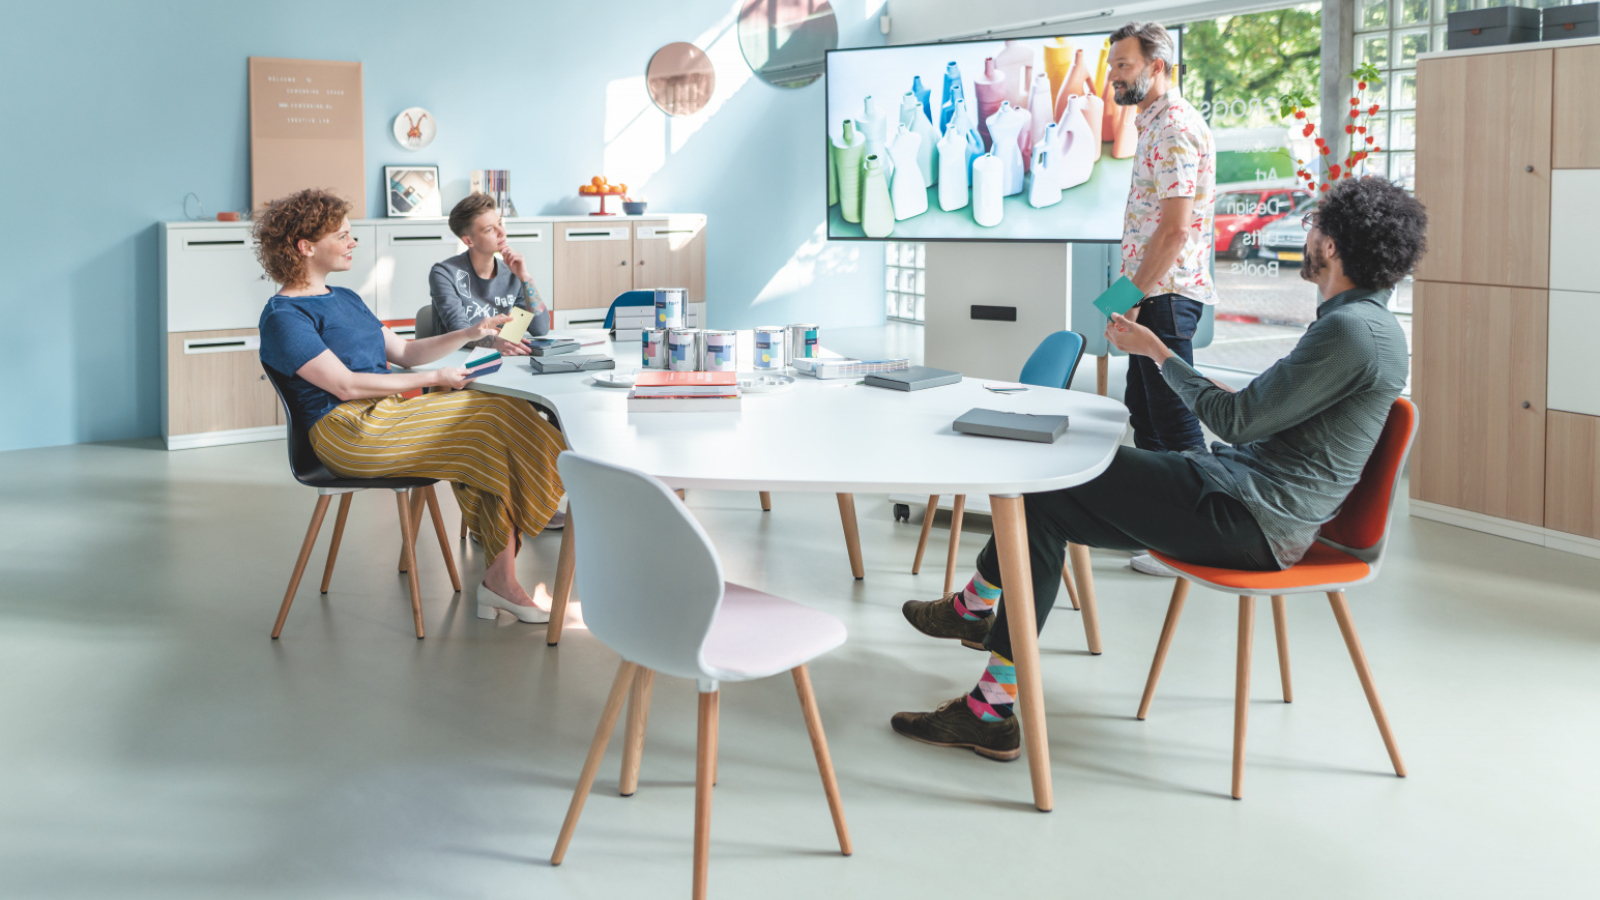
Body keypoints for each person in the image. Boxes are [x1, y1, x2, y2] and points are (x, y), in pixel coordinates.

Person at [890, 176, 1426, 761]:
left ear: (1336, 245)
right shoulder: (1367, 326)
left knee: (1048, 480)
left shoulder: (1349, 332)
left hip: (1247, 518)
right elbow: (1262, 413)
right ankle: (984, 680)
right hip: (1248, 505)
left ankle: (981, 661)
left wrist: (1157, 352)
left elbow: (1238, 421)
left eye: (1316, 225)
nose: (1308, 232)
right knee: (1043, 503)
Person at [256, 188, 566, 624]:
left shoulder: (345, 299)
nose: (353, 242)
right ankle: (571, 493)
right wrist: (437, 379)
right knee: (490, 417)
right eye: (342, 236)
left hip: (385, 416)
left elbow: (405, 351)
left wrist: (468, 332)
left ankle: (501, 580)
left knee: (490, 427)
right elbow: (344, 386)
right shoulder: (283, 316)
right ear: (306, 248)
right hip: (345, 432)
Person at [1105, 22, 1218, 576]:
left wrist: (1130, 301)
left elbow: (1173, 232)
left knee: (1175, 424)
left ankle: (1196, 540)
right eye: (1112, 67)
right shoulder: (1153, 125)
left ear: (1157, 66)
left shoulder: (1172, 126)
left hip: (1165, 300)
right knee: (1147, 418)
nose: (1112, 77)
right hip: (1153, 296)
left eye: (1123, 65)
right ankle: (1160, 535)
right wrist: (1126, 299)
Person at [430, 192, 550, 357]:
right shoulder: (445, 273)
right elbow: (459, 331)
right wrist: (495, 343)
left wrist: (525, 278)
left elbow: (540, 329)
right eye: (489, 229)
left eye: (500, 223)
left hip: (503, 362)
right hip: (456, 367)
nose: (502, 232)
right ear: (468, 241)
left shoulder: (512, 273)